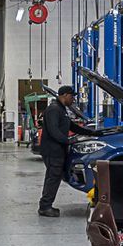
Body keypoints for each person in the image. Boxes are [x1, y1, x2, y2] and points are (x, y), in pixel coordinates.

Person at [37, 86, 84, 217]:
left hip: (57, 149)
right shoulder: (54, 109)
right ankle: (45, 207)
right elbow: (54, 131)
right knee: (53, 178)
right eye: (72, 96)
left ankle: (46, 205)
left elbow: (72, 126)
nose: (73, 99)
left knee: (54, 177)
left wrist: (92, 133)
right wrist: (68, 141)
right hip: (52, 150)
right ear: (64, 95)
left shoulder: (62, 109)